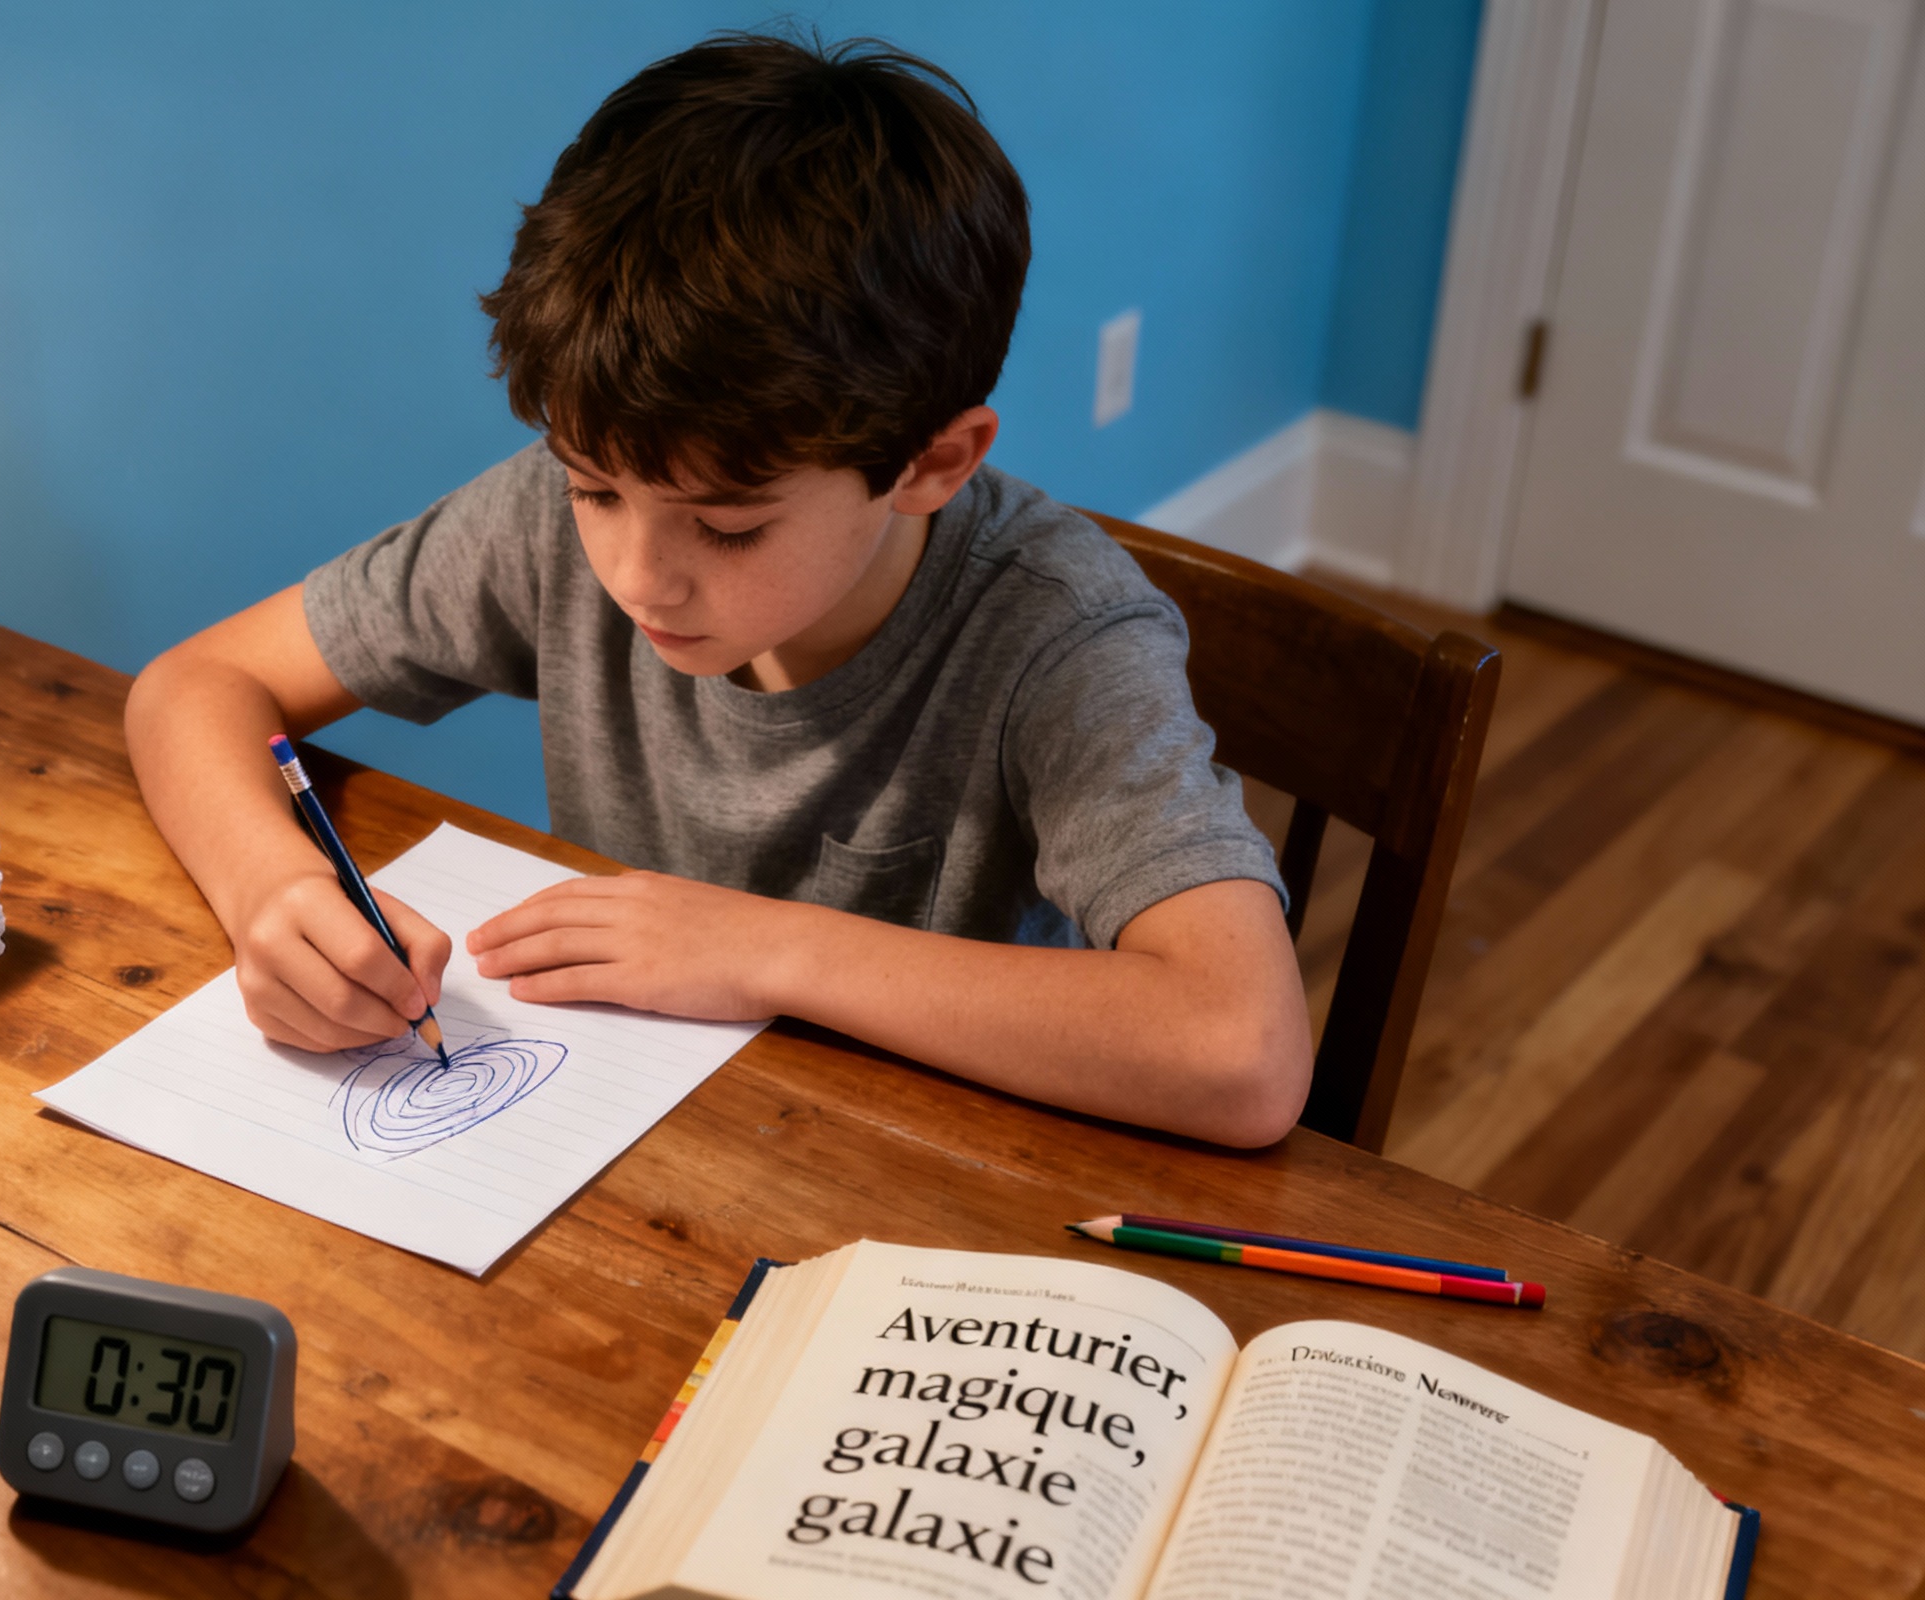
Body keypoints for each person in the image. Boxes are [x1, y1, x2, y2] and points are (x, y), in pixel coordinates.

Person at [124, 31, 1311, 1147]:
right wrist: (273, 890)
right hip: (630, 1150)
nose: (638, 574)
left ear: (932, 462)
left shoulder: (1056, 633)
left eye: (729, 528)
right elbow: (197, 685)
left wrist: (768, 949)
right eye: (595, 491)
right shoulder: (553, 515)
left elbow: (1240, 1047)